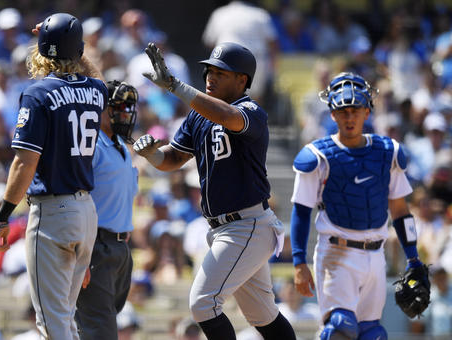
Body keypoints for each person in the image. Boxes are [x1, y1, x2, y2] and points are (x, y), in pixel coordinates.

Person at [133, 42, 295, 340]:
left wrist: (175, 86)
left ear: (242, 80)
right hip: (226, 229)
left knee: (203, 304)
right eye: (209, 70)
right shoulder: (197, 115)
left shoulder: (252, 111)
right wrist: (152, 155)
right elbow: (173, 159)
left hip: (247, 225)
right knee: (264, 316)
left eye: (221, 72)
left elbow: (230, 119)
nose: (211, 76)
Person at [0, 13, 108, 340]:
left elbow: (24, 164)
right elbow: (97, 79)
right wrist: (75, 48)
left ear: (41, 48)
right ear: (78, 51)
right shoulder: (97, 91)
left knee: (53, 325)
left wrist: (2, 218)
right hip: (86, 213)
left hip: (53, 215)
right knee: (66, 321)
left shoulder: (38, 93)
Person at [290, 72, 429, 339]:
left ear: (368, 111)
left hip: (376, 255)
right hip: (336, 253)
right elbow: (301, 210)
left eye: (355, 110)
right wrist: (299, 262)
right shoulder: (317, 156)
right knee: (340, 327)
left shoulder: (388, 151)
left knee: (372, 334)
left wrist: (413, 258)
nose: (349, 117)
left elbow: (400, 210)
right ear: (332, 114)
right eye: (342, 110)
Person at [75, 80, 139, 340]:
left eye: (128, 108)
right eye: (118, 107)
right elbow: (78, 200)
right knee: (100, 330)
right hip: (96, 246)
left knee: (99, 325)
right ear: (100, 109)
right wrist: (82, 254)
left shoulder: (120, 145)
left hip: (120, 247)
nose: (124, 114)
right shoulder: (91, 144)